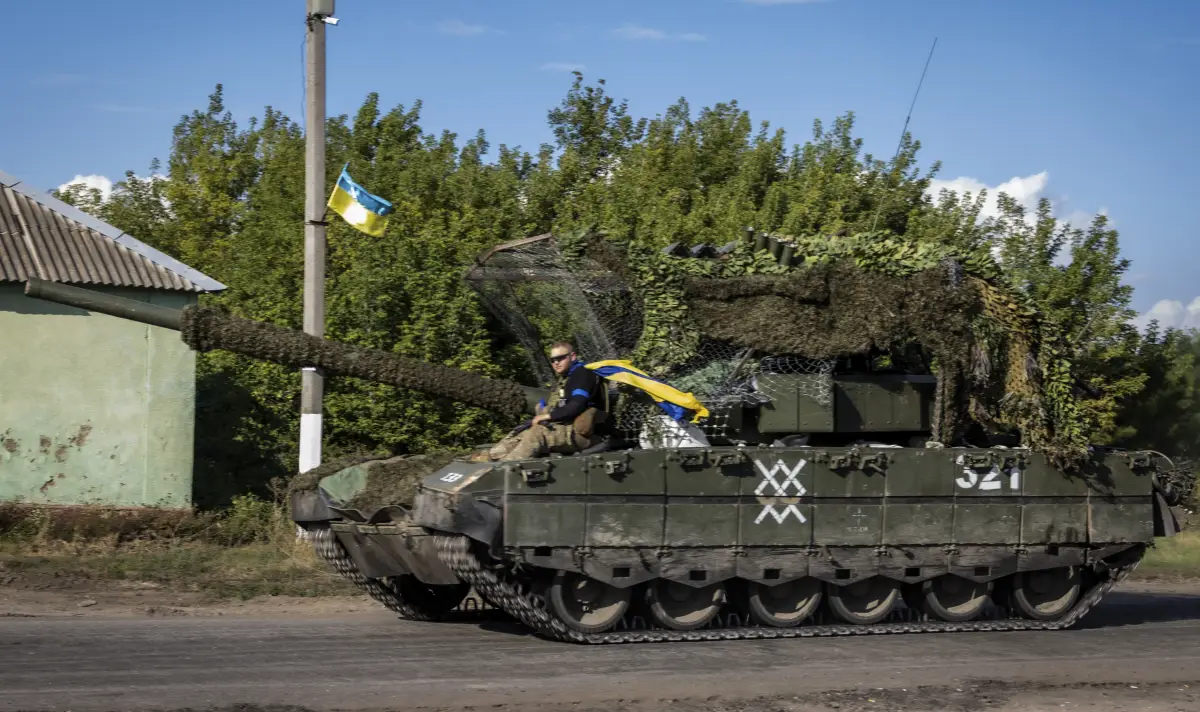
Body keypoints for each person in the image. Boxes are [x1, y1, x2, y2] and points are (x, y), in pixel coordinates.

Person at [487, 340, 610, 461]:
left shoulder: (582, 374)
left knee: (538, 434)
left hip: (584, 436)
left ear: (572, 356)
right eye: (553, 360)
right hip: (565, 430)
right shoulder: (566, 379)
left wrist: (547, 416)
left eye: (560, 358)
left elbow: (576, 405)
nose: (556, 363)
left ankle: (504, 468)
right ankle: (488, 459)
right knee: (520, 433)